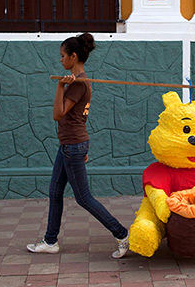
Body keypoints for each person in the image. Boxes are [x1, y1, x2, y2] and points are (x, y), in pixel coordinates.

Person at [27, 33, 129, 258]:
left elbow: (57, 114)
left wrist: (60, 86)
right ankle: (50, 241)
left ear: (74, 56)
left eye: (63, 56)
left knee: (83, 198)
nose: (60, 60)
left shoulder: (78, 84)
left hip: (73, 146)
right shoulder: (77, 81)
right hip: (70, 145)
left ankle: (122, 234)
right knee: (55, 192)